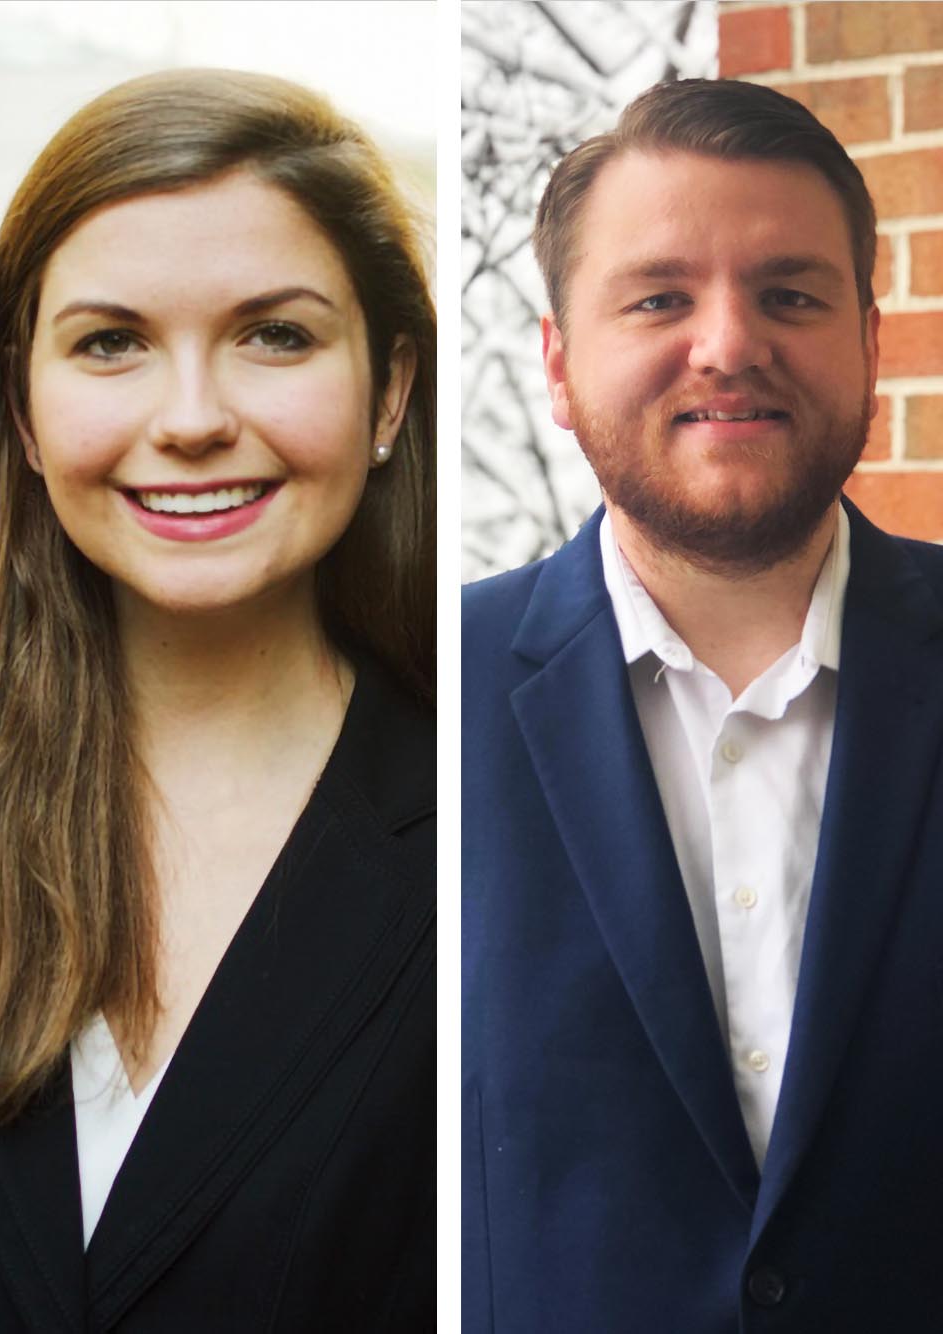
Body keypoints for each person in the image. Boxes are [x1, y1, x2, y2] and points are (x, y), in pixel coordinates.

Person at [0, 69, 435, 1329]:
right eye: (110, 342)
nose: (190, 420)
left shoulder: (494, 834)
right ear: (20, 404)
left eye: (273, 334)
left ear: (387, 389)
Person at [462, 77, 943, 1330]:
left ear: (870, 345)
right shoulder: (410, 692)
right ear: (557, 364)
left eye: (788, 293)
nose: (727, 342)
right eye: (660, 298)